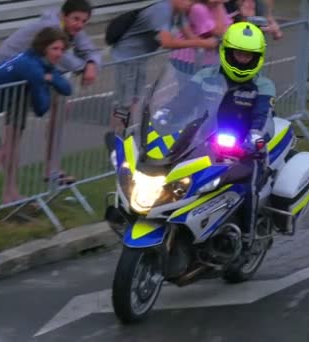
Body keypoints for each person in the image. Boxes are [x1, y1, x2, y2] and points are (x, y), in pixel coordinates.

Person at [167, 22, 274, 253]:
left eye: (249, 55)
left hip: (246, 149)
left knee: (249, 185)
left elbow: (262, 115)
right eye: (239, 53)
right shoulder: (205, 76)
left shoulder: (263, 86)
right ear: (227, 51)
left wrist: (256, 136)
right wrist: (164, 113)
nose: (243, 59)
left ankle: (248, 236)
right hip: (202, 141)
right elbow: (183, 101)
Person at [0, 27, 72, 221]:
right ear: (43, 48)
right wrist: (46, 80)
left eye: (61, 50)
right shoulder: (32, 66)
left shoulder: (43, 64)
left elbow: (67, 88)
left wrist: (50, 77)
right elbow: (42, 107)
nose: (59, 54)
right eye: (55, 49)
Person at [0, 0, 101, 186]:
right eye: (76, 19)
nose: (79, 25)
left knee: (60, 110)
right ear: (64, 15)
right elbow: (64, 58)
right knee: (14, 131)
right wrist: (85, 68)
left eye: (84, 21)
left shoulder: (72, 29)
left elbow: (91, 49)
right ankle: (8, 190)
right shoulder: (50, 27)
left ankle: (52, 170)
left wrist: (92, 63)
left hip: (37, 72)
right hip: (13, 73)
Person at [106, 0, 219, 144]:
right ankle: (116, 140)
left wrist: (206, 44)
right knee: (125, 102)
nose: (189, 3)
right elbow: (166, 42)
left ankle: (129, 136)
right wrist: (203, 43)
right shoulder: (162, 10)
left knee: (136, 99)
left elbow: (190, 36)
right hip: (127, 57)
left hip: (140, 59)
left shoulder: (179, 12)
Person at [169, 0, 233, 78]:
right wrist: (219, 5)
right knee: (193, 88)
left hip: (208, 60)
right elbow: (219, 32)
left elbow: (228, 29)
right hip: (188, 61)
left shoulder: (216, 6)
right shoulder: (198, 8)